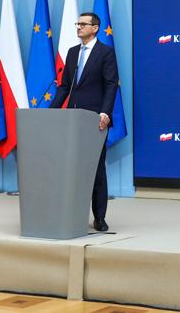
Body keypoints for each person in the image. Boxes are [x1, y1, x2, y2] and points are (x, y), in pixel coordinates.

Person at [50, 12, 119, 232]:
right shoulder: (72, 53)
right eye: (77, 23)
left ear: (95, 27)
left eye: (83, 24)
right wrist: (50, 112)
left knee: (96, 168)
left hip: (94, 119)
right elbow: (65, 86)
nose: (78, 27)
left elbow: (111, 85)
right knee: (71, 168)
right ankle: (71, 214)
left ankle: (99, 217)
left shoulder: (105, 53)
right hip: (71, 119)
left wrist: (105, 113)